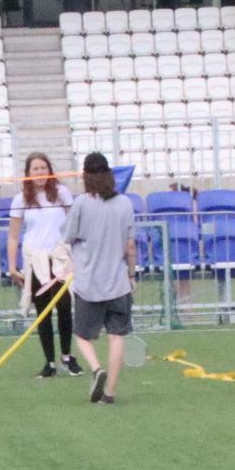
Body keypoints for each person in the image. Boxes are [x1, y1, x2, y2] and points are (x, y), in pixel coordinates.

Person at [62, 151, 137, 405]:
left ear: (85, 176)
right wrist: (132, 275)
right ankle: (110, 392)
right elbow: (130, 246)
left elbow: (67, 236)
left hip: (89, 284)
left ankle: (96, 368)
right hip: (118, 283)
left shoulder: (81, 203)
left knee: (82, 334)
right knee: (116, 336)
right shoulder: (125, 203)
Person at [6, 152, 80, 378]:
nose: (39, 173)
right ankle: (49, 362)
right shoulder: (20, 199)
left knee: (64, 306)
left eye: (43, 168)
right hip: (35, 258)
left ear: (49, 170)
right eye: (35, 169)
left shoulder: (62, 193)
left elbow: (74, 225)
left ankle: (67, 356)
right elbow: (13, 235)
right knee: (43, 311)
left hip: (60, 256)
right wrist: (12, 266)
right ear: (28, 173)